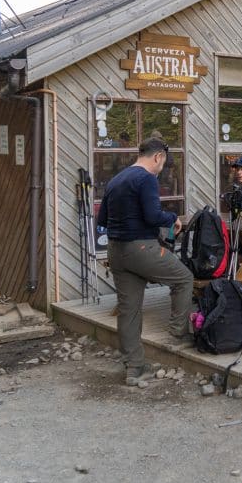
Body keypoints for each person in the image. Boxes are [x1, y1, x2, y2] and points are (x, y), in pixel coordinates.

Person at [96, 138, 193, 386]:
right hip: (141, 247)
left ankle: (135, 368)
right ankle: (179, 332)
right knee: (184, 278)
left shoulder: (117, 179)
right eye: (164, 163)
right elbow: (153, 216)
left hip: (116, 251)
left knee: (129, 309)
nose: (163, 168)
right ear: (158, 156)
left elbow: (103, 217)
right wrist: (173, 217)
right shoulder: (146, 178)